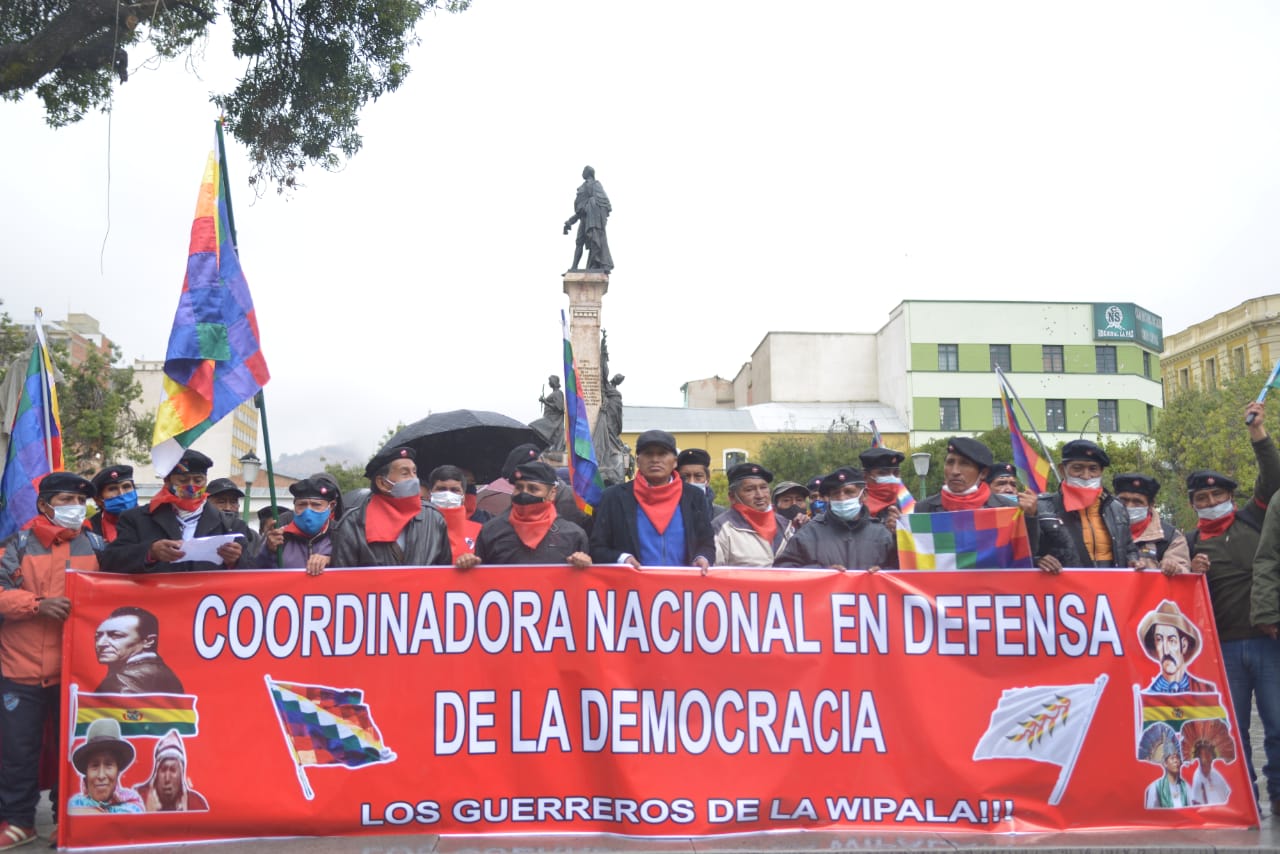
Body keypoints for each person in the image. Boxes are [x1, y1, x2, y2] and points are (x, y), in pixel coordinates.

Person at [0, 473, 103, 846]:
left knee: (73, 751)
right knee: (17, 752)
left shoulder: (97, 544)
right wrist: (36, 605)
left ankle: (68, 821)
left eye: (80, 500)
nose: (75, 507)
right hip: (20, 669)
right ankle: (18, 822)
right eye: (66, 500)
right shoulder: (17, 545)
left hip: (77, 673)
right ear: (44, 505)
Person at [1194, 401, 1280, 806]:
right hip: (1221, 649)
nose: (1211, 501)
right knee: (1233, 728)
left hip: (1268, 641)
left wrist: (1258, 434)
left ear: (1232, 496)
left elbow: (1273, 478)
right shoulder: (1189, 542)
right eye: (1202, 497)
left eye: (1218, 494)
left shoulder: (1254, 519)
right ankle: (1244, 797)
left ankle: (1279, 793)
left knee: (1278, 724)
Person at [101, 450, 252, 573]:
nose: (191, 488)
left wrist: (235, 560)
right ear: (167, 482)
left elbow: (253, 571)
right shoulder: (136, 519)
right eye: (183, 481)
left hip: (207, 606)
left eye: (198, 480)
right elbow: (111, 561)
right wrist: (150, 552)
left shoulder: (231, 525)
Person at [589, 430, 714, 570]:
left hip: (682, 587)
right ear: (638, 461)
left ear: (674, 462)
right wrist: (623, 559)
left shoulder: (694, 496)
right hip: (632, 587)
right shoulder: (613, 497)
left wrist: (702, 557)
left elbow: (706, 542)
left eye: (662, 453)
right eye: (648, 454)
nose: (655, 459)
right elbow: (597, 548)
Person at [915, 438, 1041, 561]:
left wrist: (1030, 517)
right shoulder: (924, 509)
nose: (954, 471)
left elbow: (1023, 556)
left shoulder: (1007, 509)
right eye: (950, 462)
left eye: (965, 464)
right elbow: (914, 559)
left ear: (983, 473)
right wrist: (896, 532)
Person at [330, 445, 451, 568]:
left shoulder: (434, 518)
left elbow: (446, 571)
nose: (414, 479)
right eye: (405, 473)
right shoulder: (353, 523)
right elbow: (343, 579)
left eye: (414, 472)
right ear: (382, 483)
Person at [458, 462, 591, 568]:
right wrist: (468, 564)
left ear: (552, 493)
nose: (524, 494)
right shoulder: (491, 530)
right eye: (519, 488)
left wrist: (586, 565)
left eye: (533, 489)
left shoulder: (573, 534)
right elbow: (478, 580)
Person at [1034, 439, 1135, 571]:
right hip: (1064, 589)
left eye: (1093, 469)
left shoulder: (1116, 508)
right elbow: (1023, 552)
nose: (1086, 476)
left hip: (1112, 588)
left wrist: (1134, 560)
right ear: (1062, 470)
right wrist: (1037, 561)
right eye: (1077, 468)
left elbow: (1129, 549)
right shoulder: (1041, 507)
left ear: (1101, 471)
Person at [774, 467, 897, 571]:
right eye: (836, 493)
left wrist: (885, 574)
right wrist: (820, 572)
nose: (842, 498)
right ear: (829, 498)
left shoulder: (883, 535)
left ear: (863, 495)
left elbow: (904, 572)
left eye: (849, 492)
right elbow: (783, 570)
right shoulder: (808, 534)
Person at [251, 475, 341, 574]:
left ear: (331, 506)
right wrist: (269, 551)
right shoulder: (279, 536)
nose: (308, 511)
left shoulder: (341, 535)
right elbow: (256, 575)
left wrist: (331, 560)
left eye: (316, 505)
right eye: (302, 505)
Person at [714, 463, 792, 567]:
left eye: (763, 488)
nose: (760, 495)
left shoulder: (785, 525)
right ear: (732, 496)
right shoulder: (722, 529)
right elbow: (714, 575)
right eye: (749, 489)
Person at [1113, 473, 1190, 575]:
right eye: (1123, 500)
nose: (1129, 506)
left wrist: (1173, 567)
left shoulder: (1170, 537)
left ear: (1150, 505)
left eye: (1137, 502)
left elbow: (1183, 571)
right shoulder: (1101, 528)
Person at [94, 606, 183, 694]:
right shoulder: (163, 673)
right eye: (98, 636)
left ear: (148, 641)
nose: (101, 643)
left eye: (116, 636)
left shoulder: (120, 681)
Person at [66, 718, 144, 815]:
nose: (101, 775)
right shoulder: (74, 804)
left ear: (117, 771)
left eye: (108, 765)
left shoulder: (132, 804)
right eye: (94, 766)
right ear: (86, 772)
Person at [1137, 600, 1216, 693]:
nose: (1166, 651)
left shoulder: (1206, 691)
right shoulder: (1147, 699)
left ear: (1184, 645)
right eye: (1159, 640)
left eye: (1171, 641)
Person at [132, 730, 208, 812]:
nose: (167, 778)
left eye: (173, 770)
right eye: (163, 770)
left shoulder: (196, 804)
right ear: (156, 773)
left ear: (181, 775)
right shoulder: (137, 798)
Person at [563, 165, 613, 273]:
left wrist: (593, 205)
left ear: (588, 173)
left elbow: (605, 204)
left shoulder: (596, 185)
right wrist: (570, 222)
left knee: (594, 241)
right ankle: (574, 267)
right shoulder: (583, 187)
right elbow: (580, 210)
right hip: (584, 219)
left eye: (583, 171)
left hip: (593, 219)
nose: (582, 173)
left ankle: (594, 265)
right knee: (579, 242)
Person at [426, 465, 482, 560]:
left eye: (454, 490)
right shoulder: (417, 527)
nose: (448, 495)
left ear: (463, 496)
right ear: (430, 493)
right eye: (441, 489)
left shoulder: (479, 531)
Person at [859, 447, 909, 531]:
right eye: (883, 473)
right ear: (865, 476)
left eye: (896, 473)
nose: (891, 478)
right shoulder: (854, 506)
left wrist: (898, 532)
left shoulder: (904, 504)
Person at [89, 464, 136, 543]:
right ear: (98, 500)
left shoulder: (151, 519)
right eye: (112, 489)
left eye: (126, 487)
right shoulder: (89, 528)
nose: (121, 494)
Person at [1144, 741, 1191, 809]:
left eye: (1177, 758)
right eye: (1172, 758)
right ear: (1165, 763)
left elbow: (1192, 809)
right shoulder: (1156, 787)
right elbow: (1151, 814)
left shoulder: (1185, 786)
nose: (1176, 761)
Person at [677, 448, 722, 519]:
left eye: (698, 476)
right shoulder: (671, 513)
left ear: (707, 480)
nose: (691, 482)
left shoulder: (720, 515)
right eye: (685, 477)